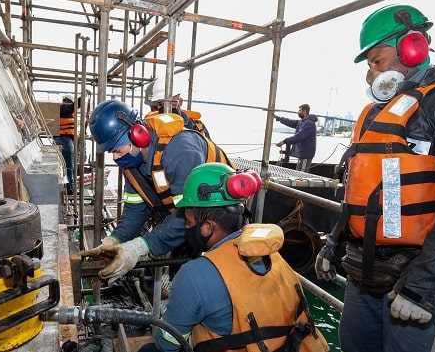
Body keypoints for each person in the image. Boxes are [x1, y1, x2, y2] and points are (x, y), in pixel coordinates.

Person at [314, 4, 435, 352]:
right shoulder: (374, 114)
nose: (372, 74)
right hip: (363, 274)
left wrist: (425, 286)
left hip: (413, 280)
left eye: (376, 61)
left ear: (413, 46)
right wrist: (333, 244)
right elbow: (362, 189)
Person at [139, 163, 329, 352]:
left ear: (207, 227)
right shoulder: (271, 253)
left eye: (189, 222)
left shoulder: (194, 275)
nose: (186, 228)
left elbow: (168, 345)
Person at [79, 100, 232, 282]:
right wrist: (114, 240)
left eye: (118, 150)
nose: (115, 157)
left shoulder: (181, 151)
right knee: (177, 263)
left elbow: (188, 216)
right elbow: (135, 209)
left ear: (138, 135)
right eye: (111, 152)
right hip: (185, 215)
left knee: (198, 271)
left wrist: (140, 247)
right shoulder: (132, 163)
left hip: (218, 213)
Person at [145, 79, 211, 138]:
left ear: (180, 101)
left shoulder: (198, 126)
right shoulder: (149, 125)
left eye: (173, 103)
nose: (166, 109)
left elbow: (209, 149)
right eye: (160, 104)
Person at [275, 104, 317, 171]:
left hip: (306, 153)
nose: (298, 112)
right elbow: (291, 122)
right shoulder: (302, 121)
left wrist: (284, 141)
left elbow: (299, 137)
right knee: (299, 171)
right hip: (302, 153)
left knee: (302, 174)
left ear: (305, 111)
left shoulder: (309, 123)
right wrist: (279, 119)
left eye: (300, 110)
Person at [54, 95, 76, 195]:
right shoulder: (66, 108)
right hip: (66, 142)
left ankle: (60, 189)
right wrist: (82, 99)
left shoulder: (57, 111)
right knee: (69, 166)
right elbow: (73, 106)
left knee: (59, 166)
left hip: (57, 141)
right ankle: (69, 188)